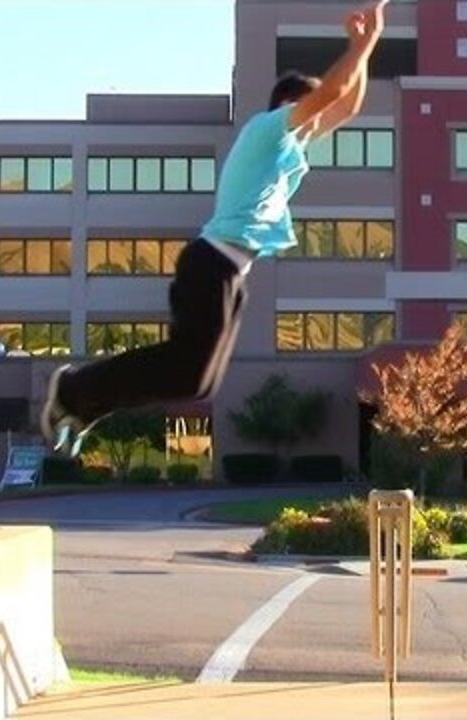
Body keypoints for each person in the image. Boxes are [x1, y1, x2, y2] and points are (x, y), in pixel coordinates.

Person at [40, 1, 389, 456]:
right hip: (211, 263)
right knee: (186, 371)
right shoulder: (267, 130)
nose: (316, 128)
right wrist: (360, 44)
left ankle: (85, 405)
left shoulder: (286, 150)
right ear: (290, 105)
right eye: (310, 116)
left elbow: (345, 107)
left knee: (198, 383)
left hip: (228, 273)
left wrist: (368, 43)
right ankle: (72, 387)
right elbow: (333, 95)